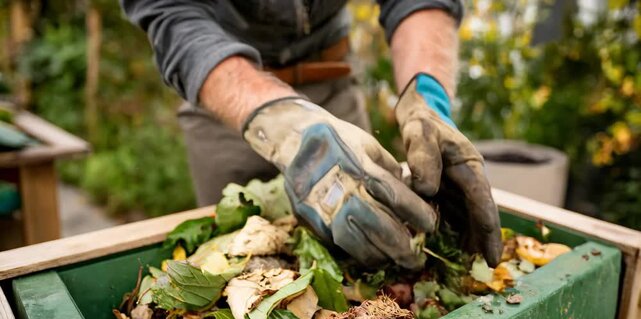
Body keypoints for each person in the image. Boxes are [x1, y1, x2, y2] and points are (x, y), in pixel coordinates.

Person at [121, 1, 502, 269]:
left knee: (371, 237)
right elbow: (172, 13)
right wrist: (283, 123)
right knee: (241, 265)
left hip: (334, 80)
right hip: (227, 100)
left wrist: (428, 100)